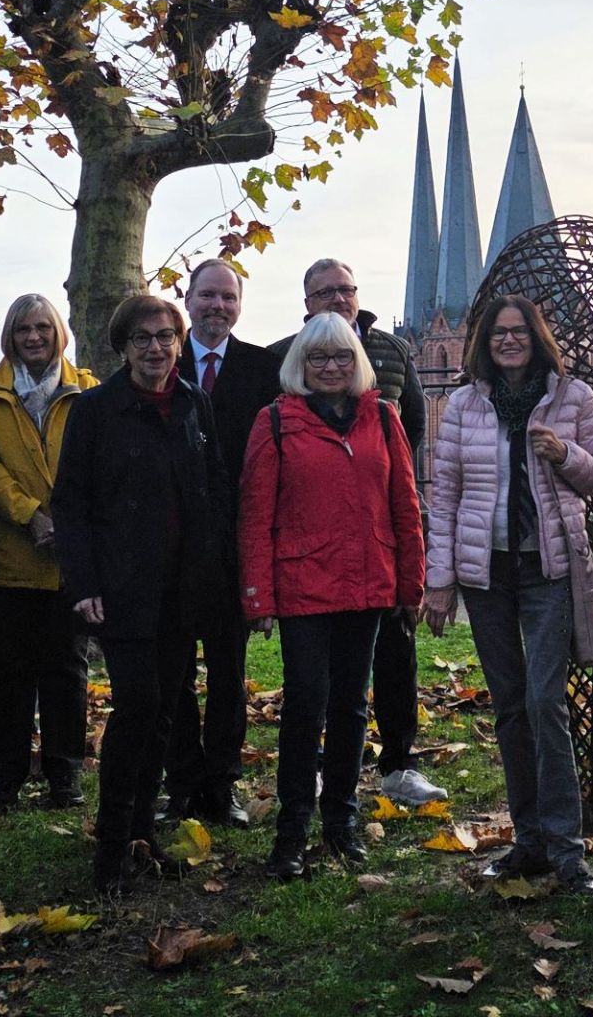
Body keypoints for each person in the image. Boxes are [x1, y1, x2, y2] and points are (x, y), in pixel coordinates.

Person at [422, 296, 593, 896]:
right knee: (508, 706)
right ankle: (528, 841)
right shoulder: (464, 405)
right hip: (488, 575)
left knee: (543, 702)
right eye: (499, 333)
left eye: (519, 331)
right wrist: (440, 578)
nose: (509, 341)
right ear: (484, 341)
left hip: (548, 569)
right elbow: (445, 494)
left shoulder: (571, 397)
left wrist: (566, 453)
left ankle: (568, 850)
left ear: (537, 336)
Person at [52, 295, 232, 895]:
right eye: (143, 339)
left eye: (166, 337)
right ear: (123, 347)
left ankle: (139, 831)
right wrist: (83, 584)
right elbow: (71, 504)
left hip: (183, 589)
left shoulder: (193, 404)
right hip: (121, 589)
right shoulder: (96, 410)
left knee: (163, 712)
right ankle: (109, 845)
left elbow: (211, 493)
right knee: (138, 705)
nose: (156, 348)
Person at [238, 312, 425, 881]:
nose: (330, 366)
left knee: (351, 707)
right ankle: (292, 831)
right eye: (318, 357)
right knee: (304, 705)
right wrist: (257, 596)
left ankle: (341, 821)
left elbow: (405, 505)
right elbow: (255, 515)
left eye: (341, 356)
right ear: (300, 364)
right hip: (303, 588)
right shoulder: (275, 422)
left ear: (357, 362)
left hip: (368, 582)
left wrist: (410, 583)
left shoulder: (383, 417)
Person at [272, 258, 444, 808]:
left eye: (346, 290)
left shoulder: (393, 352)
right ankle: (318, 770)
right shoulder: (282, 357)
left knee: (396, 652)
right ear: (307, 303)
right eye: (324, 292)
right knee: (317, 675)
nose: (338, 300)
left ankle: (398, 762)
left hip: (379, 536)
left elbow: (412, 429)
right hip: (315, 543)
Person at [0, 294, 98, 813]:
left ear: (59, 332)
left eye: (44, 327)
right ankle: (6, 777)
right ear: (10, 335)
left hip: (69, 559)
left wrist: (65, 521)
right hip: (9, 558)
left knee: (68, 671)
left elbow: (94, 463)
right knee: (10, 673)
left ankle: (64, 774)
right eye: (24, 329)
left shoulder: (86, 390)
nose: (35, 337)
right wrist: (31, 515)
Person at [165, 259, 281, 828]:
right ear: (187, 301)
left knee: (230, 675)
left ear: (239, 306)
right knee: (176, 673)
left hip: (236, 548)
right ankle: (181, 783)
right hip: (172, 549)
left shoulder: (263, 369)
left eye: (227, 298)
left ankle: (223, 782)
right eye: (206, 296)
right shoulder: (162, 360)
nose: (217, 307)